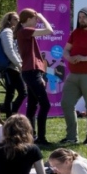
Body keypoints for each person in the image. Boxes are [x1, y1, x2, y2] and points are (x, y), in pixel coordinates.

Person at [59, 7, 87, 146]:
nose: (81, 19)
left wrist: (83, 58)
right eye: (80, 17)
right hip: (73, 75)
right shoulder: (75, 32)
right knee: (66, 103)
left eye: (84, 17)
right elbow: (66, 49)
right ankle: (71, 136)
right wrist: (69, 57)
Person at [16, 8, 56, 146]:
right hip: (31, 72)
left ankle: (31, 136)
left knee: (32, 106)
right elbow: (50, 30)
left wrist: (42, 75)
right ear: (27, 20)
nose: (37, 21)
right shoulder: (25, 31)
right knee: (45, 105)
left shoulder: (25, 31)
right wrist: (42, 16)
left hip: (33, 72)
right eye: (35, 19)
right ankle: (40, 137)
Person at [0, 12, 25, 115]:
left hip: (11, 67)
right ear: (9, 21)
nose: (18, 21)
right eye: (15, 19)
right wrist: (19, 64)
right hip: (10, 67)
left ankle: (9, 114)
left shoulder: (10, 32)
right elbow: (9, 50)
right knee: (21, 92)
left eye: (18, 19)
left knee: (11, 93)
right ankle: (10, 113)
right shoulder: (7, 32)